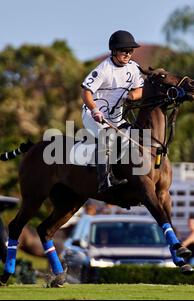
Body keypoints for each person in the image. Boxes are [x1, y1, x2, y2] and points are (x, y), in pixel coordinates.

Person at [81, 30, 144, 193]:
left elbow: (140, 89)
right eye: (125, 50)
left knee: (134, 136)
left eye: (131, 51)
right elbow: (85, 92)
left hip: (116, 117)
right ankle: (104, 182)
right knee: (105, 138)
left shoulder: (134, 67)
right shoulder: (103, 69)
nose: (128, 54)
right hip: (93, 114)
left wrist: (132, 95)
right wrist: (94, 110)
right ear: (114, 51)